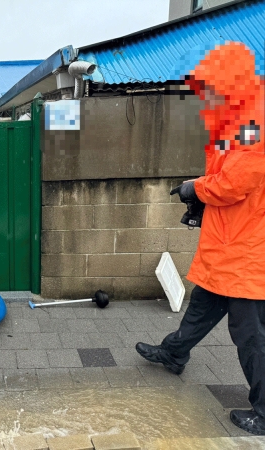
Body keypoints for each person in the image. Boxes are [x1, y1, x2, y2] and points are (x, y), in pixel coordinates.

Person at [135, 42, 265, 435]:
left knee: (250, 336)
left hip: (246, 251)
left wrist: (195, 189)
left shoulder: (253, 124)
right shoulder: (234, 122)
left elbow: (233, 183)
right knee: (201, 309)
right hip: (226, 244)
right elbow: (225, 178)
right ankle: (174, 354)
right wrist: (201, 197)